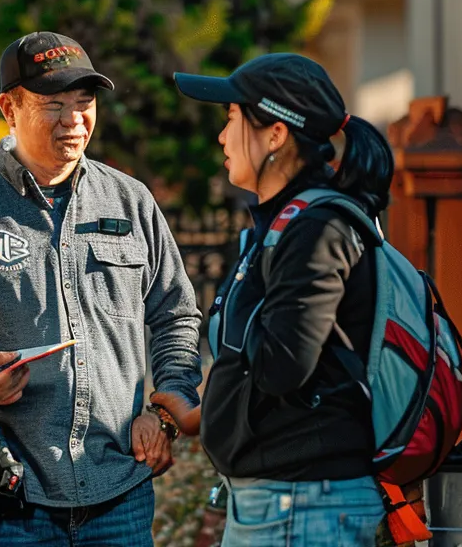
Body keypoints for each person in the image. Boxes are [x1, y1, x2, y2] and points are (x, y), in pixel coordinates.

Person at [0, 32, 203, 546]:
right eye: (54, 106)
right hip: (11, 498)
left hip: (120, 497)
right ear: (9, 108)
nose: (75, 121)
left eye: (85, 104)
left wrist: (166, 411)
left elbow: (176, 315)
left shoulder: (132, 201)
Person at [163, 53, 399, 546]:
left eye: (231, 119)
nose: (222, 138)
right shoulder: (281, 227)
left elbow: (281, 365)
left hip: (304, 506)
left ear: (275, 134)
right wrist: (202, 417)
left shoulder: (316, 228)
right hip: (281, 504)